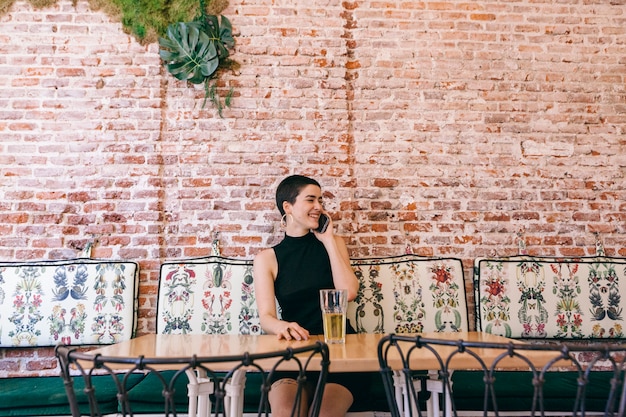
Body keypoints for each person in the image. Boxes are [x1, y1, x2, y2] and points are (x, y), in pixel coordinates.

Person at [253, 174, 360, 417]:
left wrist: (328, 240)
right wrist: (282, 325)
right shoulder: (267, 259)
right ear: (287, 207)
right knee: (286, 412)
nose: (319, 207)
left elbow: (349, 292)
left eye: (320, 200)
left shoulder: (334, 243)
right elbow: (266, 317)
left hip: (340, 350)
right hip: (295, 351)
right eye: (311, 199)